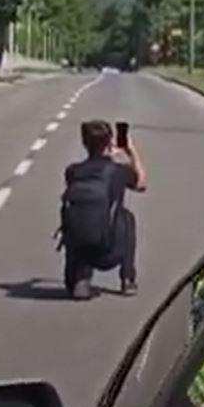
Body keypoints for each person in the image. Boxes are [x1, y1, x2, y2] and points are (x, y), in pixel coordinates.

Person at [60, 119, 146, 300]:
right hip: (109, 252)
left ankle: (81, 279)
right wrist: (130, 151)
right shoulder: (117, 171)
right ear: (110, 142)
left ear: (85, 143)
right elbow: (141, 184)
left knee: (81, 217)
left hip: (80, 252)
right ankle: (128, 277)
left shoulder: (72, 172)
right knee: (127, 217)